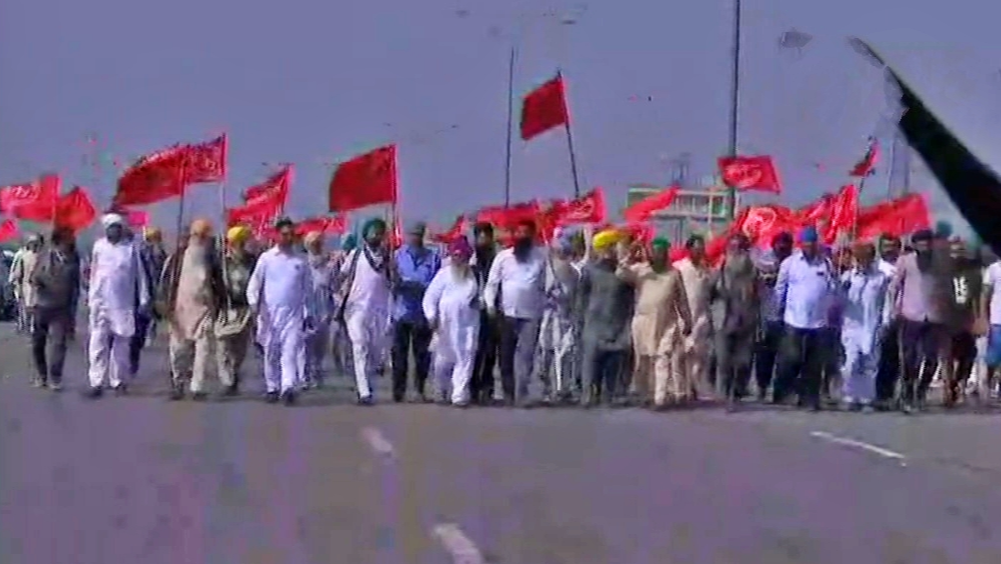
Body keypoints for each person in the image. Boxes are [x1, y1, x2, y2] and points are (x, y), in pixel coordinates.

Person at [247, 217, 315, 405]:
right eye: (284, 234)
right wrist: (254, 306)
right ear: (277, 235)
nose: (288, 238)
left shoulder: (300, 261)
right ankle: (272, 387)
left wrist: (308, 313)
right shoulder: (266, 259)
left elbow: (308, 289)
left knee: (290, 351)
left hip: (293, 315)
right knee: (271, 351)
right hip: (269, 314)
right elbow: (254, 285)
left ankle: (288, 387)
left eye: (291, 235)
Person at [621, 237, 692, 408]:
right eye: (654, 252)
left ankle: (660, 398)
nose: (657, 256)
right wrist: (630, 255)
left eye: (660, 252)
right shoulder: (641, 271)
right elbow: (621, 274)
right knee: (643, 361)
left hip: (666, 323)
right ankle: (644, 394)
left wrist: (687, 320)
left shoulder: (674, 274)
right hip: (643, 323)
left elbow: (681, 299)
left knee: (663, 357)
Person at [772, 226, 837, 411]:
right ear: (801, 245)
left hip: (818, 322)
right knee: (791, 359)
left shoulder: (825, 264)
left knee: (814, 363)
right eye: (806, 244)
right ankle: (784, 392)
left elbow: (832, 289)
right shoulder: (790, 263)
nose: (809, 247)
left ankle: (810, 397)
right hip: (794, 319)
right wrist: (778, 309)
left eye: (812, 244)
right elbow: (780, 288)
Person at [889, 228, 954, 412]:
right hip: (911, 315)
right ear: (915, 244)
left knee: (931, 358)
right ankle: (907, 393)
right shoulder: (906, 261)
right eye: (921, 242)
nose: (925, 245)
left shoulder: (941, 263)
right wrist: (894, 309)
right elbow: (895, 287)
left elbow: (947, 287)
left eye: (928, 242)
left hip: (934, 317)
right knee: (909, 358)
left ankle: (921, 391)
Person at [484, 219, 548, 406]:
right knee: (506, 355)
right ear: (514, 235)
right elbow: (492, 284)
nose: (522, 236)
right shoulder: (503, 257)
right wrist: (490, 305)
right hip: (507, 314)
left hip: (531, 315)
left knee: (527, 355)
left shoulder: (540, 257)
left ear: (532, 235)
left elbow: (544, 285)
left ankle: (522, 392)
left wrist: (543, 309)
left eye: (526, 232)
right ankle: (508, 393)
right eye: (519, 232)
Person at [86, 213, 150, 398]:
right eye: (110, 227)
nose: (112, 230)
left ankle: (118, 381)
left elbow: (140, 276)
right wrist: (91, 298)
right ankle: (96, 382)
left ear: (121, 229)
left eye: (116, 227)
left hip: (122, 304)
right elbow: (94, 274)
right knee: (97, 343)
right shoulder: (99, 247)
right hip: (100, 303)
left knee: (121, 344)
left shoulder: (130, 249)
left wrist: (144, 298)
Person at [162, 219, 226, 400]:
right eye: (198, 234)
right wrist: (166, 305)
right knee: (178, 350)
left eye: (204, 235)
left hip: (204, 308)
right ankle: (178, 382)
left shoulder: (211, 257)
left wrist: (220, 304)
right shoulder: (177, 257)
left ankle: (197, 387)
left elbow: (218, 282)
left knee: (203, 348)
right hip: (180, 308)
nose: (200, 238)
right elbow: (167, 282)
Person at [577, 229, 635, 407]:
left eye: (612, 248)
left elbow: (631, 299)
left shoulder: (623, 274)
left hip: (616, 324)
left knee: (612, 364)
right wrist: (580, 319)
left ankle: (609, 394)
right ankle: (588, 394)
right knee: (590, 363)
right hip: (593, 324)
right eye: (606, 248)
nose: (609, 252)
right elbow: (581, 297)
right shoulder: (589, 271)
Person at [339, 218, 394, 405]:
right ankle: (364, 392)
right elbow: (341, 275)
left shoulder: (388, 257)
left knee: (375, 351)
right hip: (356, 309)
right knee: (359, 345)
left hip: (379, 311)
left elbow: (395, 280)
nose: (376, 236)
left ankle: (367, 381)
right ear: (366, 235)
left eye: (379, 232)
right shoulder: (356, 255)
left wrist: (392, 267)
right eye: (373, 232)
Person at [423, 236, 481, 406]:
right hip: (445, 325)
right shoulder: (444, 274)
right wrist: (431, 316)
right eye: (455, 256)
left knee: (466, 358)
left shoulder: (474, 275)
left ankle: (459, 394)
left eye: (462, 256)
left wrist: (480, 302)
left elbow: (483, 295)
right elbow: (430, 297)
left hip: (468, 325)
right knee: (442, 361)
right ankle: (440, 389)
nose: (458, 259)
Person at [391, 222, 441, 402]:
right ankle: (399, 391)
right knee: (399, 356)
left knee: (422, 355)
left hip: (422, 313)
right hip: (401, 312)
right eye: (412, 234)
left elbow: (435, 284)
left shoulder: (433, 257)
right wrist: (396, 282)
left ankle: (420, 388)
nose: (415, 238)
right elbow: (392, 283)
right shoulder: (397, 255)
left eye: (418, 235)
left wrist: (415, 285)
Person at [710, 233, 761, 409]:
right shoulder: (721, 267)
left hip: (745, 320)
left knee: (743, 361)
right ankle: (724, 394)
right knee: (724, 360)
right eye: (732, 247)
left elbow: (758, 298)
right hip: (723, 320)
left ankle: (737, 392)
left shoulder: (752, 270)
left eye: (739, 247)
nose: (736, 250)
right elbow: (708, 293)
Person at [839, 241, 891, 410]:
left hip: (872, 325)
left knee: (869, 364)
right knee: (851, 363)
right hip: (851, 326)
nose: (863, 262)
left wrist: (885, 323)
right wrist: (842, 289)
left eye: (866, 258)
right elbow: (836, 301)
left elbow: (886, 303)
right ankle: (850, 395)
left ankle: (867, 398)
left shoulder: (881, 278)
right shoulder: (848, 277)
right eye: (860, 258)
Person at [28, 227, 80, 390]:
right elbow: (33, 278)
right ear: (58, 243)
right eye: (66, 241)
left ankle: (55, 377)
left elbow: (75, 288)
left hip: (61, 309)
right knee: (38, 343)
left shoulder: (74, 261)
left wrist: (73, 313)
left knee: (58, 343)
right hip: (42, 306)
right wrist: (40, 280)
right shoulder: (45, 257)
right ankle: (42, 375)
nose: (68, 244)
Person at [538, 231, 580, 403]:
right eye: (558, 252)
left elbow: (575, 297)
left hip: (566, 318)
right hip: (547, 318)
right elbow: (539, 292)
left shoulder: (575, 273)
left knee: (564, 352)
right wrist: (549, 291)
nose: (561, 256)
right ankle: (546, 387)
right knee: (545, 353)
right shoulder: (544, 270)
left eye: (565, 253)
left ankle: (562, 389)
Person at [942, 236, 984, 406]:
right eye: (953, 250)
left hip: (966, 319)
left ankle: (959, 383)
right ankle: (947, 387)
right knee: (947, 355)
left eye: (960, 250)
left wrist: (978, 319)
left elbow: (976, 297)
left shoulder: (973, 272)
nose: (956, 254)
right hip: (947, 319)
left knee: (967, 355)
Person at [215, 225, 258, 395]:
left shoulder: (252, 261)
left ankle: (234, 371)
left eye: (242, 242)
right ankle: (227, 380)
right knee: (223, 344)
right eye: (236, 243)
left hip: (244, 310)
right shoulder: (220, 262)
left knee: (239, 349)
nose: (239, 246)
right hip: (225, 308)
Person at [754, 231, 793, 400]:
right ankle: (762, 387)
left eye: (786, 244)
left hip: (788, 318)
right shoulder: (764, 260)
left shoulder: (794, 263)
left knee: (786, 358)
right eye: (780, 243)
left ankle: (780, 391)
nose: (783, 247)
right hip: (767, 315)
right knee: (764, 356)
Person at [674, 235, 714, 400]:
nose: (699, 251)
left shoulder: (706, 269)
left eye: (702, 248)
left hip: (701, 318)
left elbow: (709, 294)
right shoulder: (679, 268)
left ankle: (693, 387)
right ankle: (678, 389)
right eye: (696, 248)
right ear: (688, 249)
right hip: (681, 317)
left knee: (698, 355)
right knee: (679, 355)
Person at [303, 231, 338, 388]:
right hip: (306, 308)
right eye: (312, 243)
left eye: (318, 242)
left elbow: (335, 286)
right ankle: (305, 375)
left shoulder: (329, 265)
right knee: (305, 344)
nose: (315, 245)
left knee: (321, 345)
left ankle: (317, 371)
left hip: (325, 308)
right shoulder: (302, 263)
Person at [469, 222, 499, 404]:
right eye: (479, 236)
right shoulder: (472, 259)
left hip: (492, 310)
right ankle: (472, 387)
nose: (483, 239)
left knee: (489, 351)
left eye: (486, 236)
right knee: (474, 351)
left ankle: (487, 388)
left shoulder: (497, 258)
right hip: (474, 311)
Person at [874, 234, 903, 409]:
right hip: (877, 319)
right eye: (886, 246)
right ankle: (875, 393)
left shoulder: (903, 266)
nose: (889, 249)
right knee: (877, 360)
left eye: (893, 246)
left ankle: (888, 394)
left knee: (894, 360)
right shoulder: (876, 268)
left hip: (899, 319)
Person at [9, 234, 42, 334]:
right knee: (27, 306)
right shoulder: (24, 256)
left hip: (37, 285)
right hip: (26, 284)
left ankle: (31, 326)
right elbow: (19, 271)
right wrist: (16, 282)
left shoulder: (41, 257)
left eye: (36, 244)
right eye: (32, 243)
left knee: (34, 307)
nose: (34, 246)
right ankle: (26, 324)